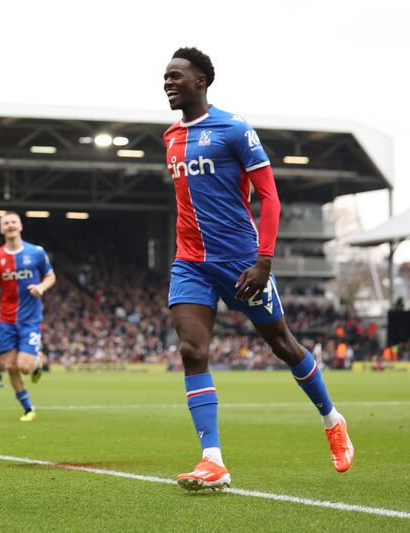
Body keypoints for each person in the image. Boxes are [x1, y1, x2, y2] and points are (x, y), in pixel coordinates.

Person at [161, 47, 353, 491]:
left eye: (176, 76)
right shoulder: (170, 136)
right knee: (192, 350)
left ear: (201, 81)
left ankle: (332, 418)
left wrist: (264, 260)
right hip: (189, 262)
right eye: (165, 76)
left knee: (283, 345)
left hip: (242, 262)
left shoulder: (233, 129)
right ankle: (213, 460)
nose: (168, 82)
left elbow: (270, 196)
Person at [0, 212, 55, 421]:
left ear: (20, 226)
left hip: (30, 319)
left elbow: (51, 276)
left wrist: (41, 287)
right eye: (5, 223)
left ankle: (37, 360)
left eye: (13, 222)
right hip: (5, 319)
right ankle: (28, 409)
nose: (10, 225)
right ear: (1, 229)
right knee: (10, 366)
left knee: (25, 367)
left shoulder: (36, 252)